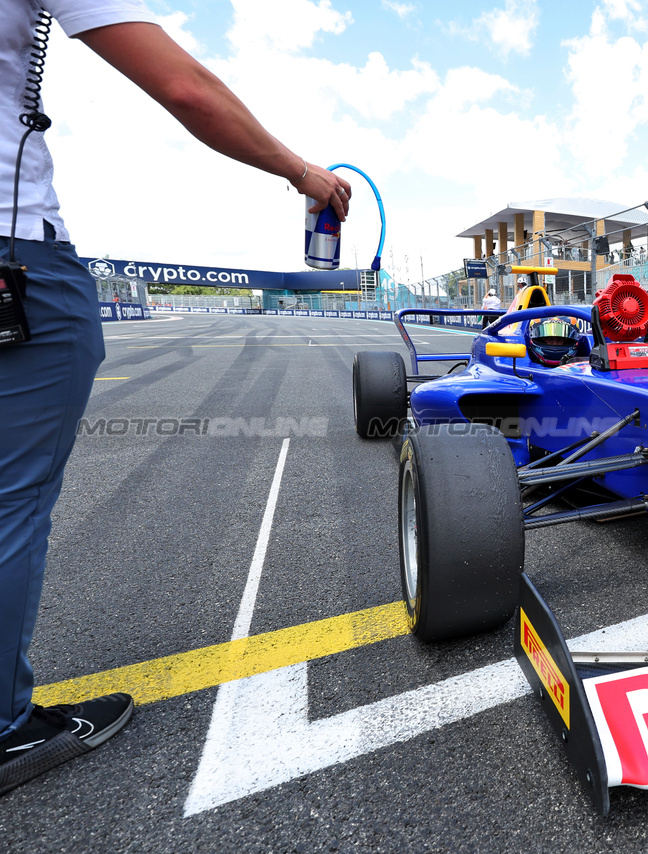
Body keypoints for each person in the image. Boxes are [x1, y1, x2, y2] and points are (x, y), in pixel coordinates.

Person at [0, 2, 350, 797]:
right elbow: (185, 88)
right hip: (15, 253)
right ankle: (5, 731)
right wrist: (302, 171)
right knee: (9, 500)